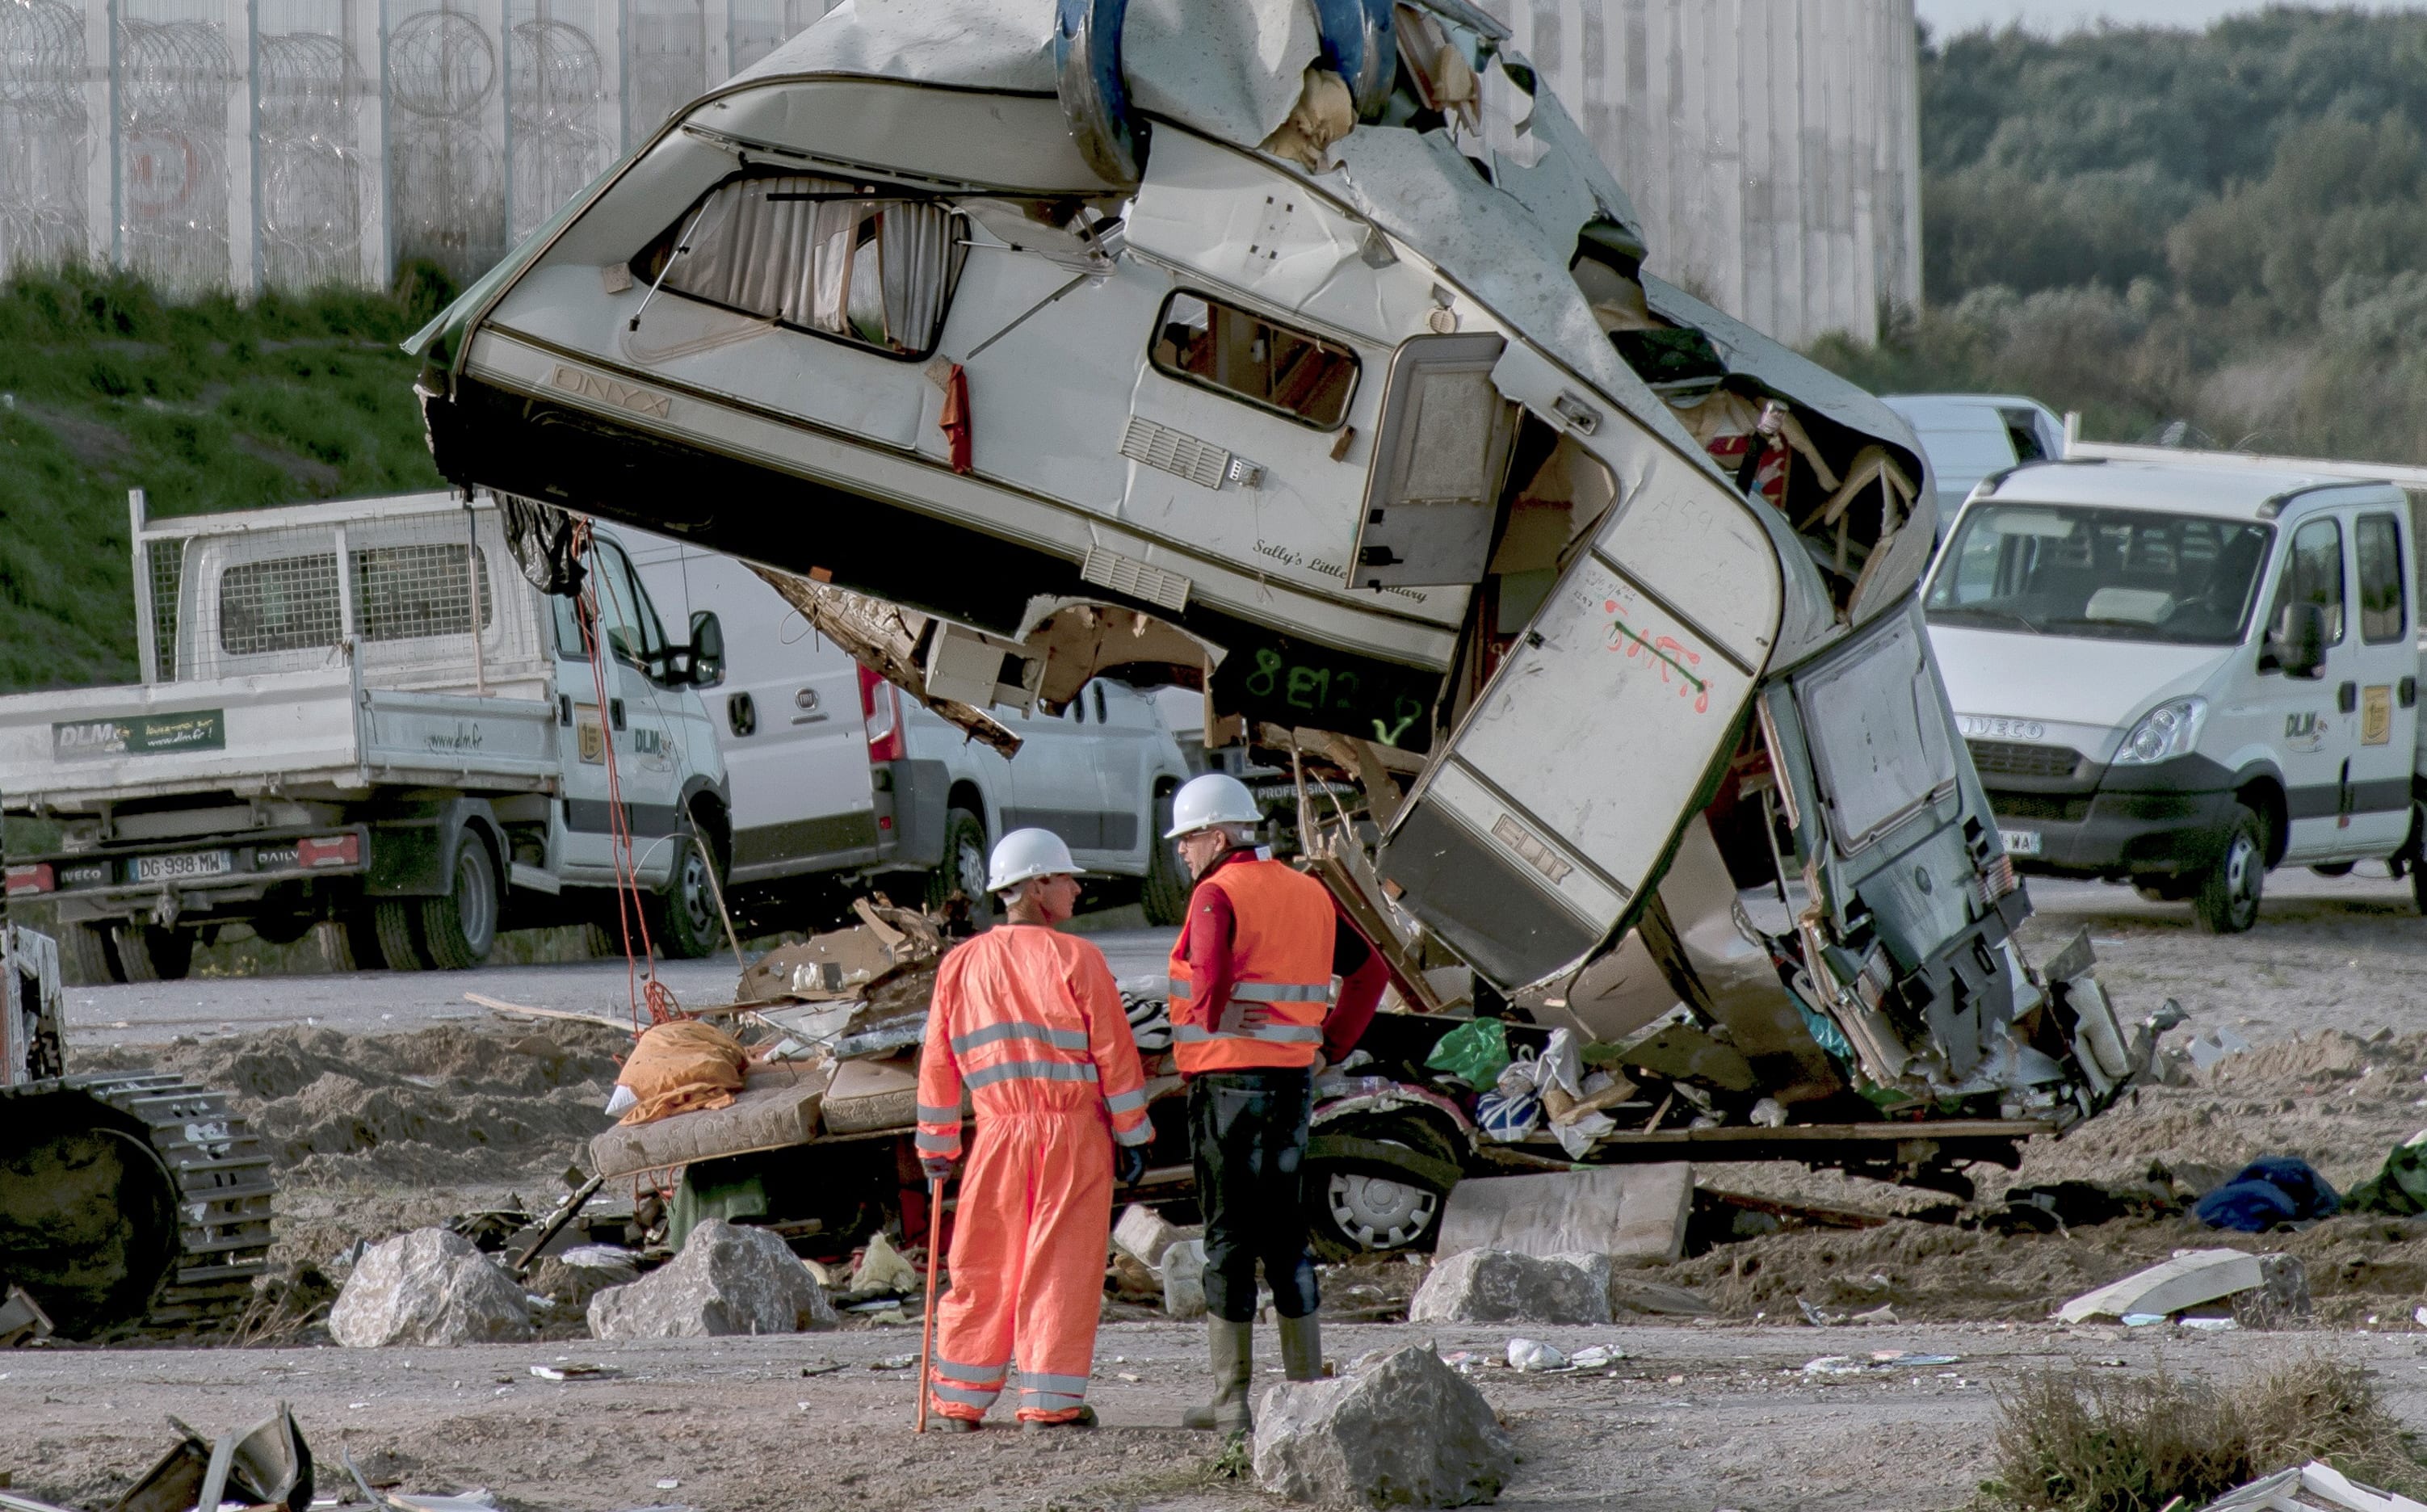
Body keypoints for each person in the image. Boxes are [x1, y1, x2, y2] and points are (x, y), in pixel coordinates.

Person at [1163, 772, 1387, 1433]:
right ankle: (1305, 1394)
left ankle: (1231, 1403)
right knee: (1287, 1238)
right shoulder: (1309, 890)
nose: (1181, 852)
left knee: (1228, 1240)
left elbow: (1204, 994)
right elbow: (1370, 970)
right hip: (1292, 1085)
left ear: (1216, 835)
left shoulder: (1214, 895)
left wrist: (1220, 1012)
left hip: (1226, 1090)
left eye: (1187, 839)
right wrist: (1330, 1046)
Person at [916, 828, 1153, 1432]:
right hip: (1071, 1135)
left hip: (995, 1135)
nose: (1077, 888)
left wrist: (936, 1147)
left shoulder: (960, 965)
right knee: (1060, 1268)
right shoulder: (1078, 960)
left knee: (981, 1264)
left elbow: (939, 1063)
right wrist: (1133, 1135)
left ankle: (958, 1401)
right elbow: (1115, 1057)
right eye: (1067, 877)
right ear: (1036, 885)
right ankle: (1047, 1406)